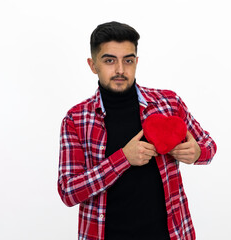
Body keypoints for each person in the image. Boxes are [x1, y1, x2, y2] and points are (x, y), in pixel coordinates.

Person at [57, 21, 217, 240]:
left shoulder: (168, 103)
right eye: (109, 61)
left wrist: (197, 152)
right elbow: (68, 191)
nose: (120, 69)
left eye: (128, 60)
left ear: (136, 62)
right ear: (93, 65)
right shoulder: (76, 119)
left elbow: (209, 146)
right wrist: (123, 158)